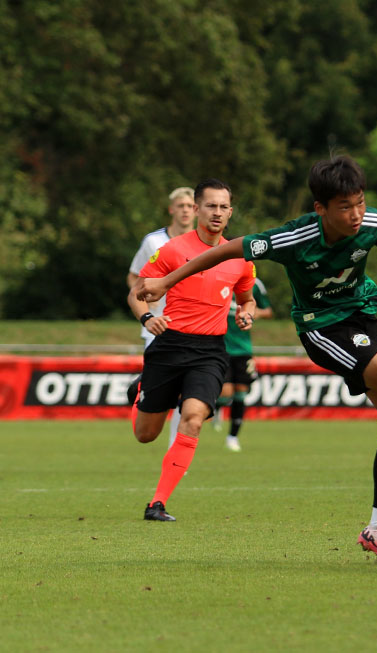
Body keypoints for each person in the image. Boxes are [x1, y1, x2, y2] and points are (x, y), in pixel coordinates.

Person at [135, 155, 377, 563]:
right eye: (344, 207)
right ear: (320, 208)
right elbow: (228, 250)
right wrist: (167, 281)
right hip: (322, 329)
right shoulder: (291, 238)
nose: (355, 215)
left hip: (363, 318)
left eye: (360, 203)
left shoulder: (375, 226)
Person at [127, 179, 256, 522]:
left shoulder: (240, 257)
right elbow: (136, 292)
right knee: (145, 435)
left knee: (194, 419)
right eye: (210, 205)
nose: (217, 212)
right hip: (169, 346)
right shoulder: (171, 249)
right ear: (196, 209)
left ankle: (157, 503)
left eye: (223, 207)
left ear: (230, 212)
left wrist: (247, 312)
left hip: (211, 350)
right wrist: (146, 317)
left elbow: (247, 296)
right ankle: (142, 388)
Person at [127, 187, 197, 446]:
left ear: (196, 209)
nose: (186, 210)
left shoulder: (206, 242)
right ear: (172, 209)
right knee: (159, 388)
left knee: (186, 391)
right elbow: (134, 277)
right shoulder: (153, 241)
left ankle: (175, 447)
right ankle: (138, 392)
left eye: (190, 206)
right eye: (181, 206)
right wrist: (145, 305)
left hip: (192, 326)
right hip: (157, 326)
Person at [213, 277, 273, 452]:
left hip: (243, 349)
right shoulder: (218, 276)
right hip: (220, 347)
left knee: (241, 392)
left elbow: (268, 311)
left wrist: (252, 313)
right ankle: (218, 407)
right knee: (226, 393)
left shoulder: (254, 283)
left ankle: (232, 437)